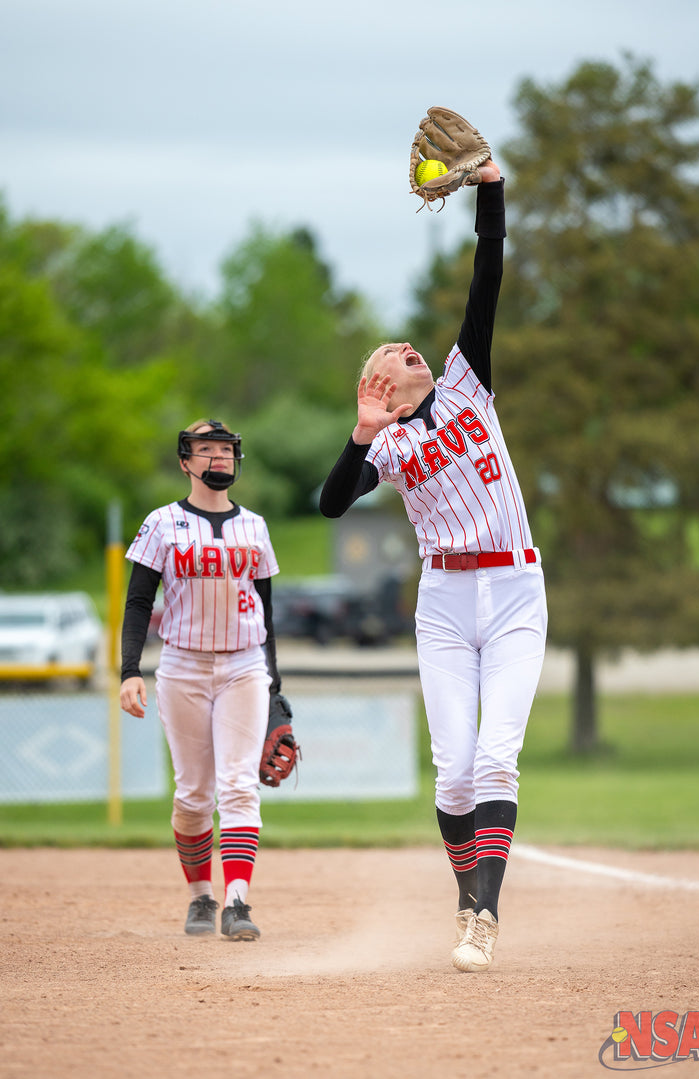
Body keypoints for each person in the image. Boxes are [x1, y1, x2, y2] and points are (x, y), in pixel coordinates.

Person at [319, 160, 547, 973]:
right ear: (381, 384)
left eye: (411, 344)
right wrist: (359, 429)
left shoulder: (467, 382)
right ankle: (469, 896)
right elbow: (331, 504)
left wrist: (491, 183)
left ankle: (482, 915)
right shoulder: (387, 442)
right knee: (452, 776)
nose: (412, 346)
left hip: (516, 587)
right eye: (395, 351)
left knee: (496, 758)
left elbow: (489, 266)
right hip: (445, 598)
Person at [120, 419, 283, 941]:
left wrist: (274, 686)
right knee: (193, 794)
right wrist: (129, 670)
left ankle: (237, 902)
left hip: (243, 665)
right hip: (183, 666)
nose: (218, 458)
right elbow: (139, 601)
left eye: (225, 450)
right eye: (206, 450)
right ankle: (200, 896)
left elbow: (266, 608)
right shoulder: (163, 523)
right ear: (185, 461)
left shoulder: (254, 526)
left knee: (238, 784)